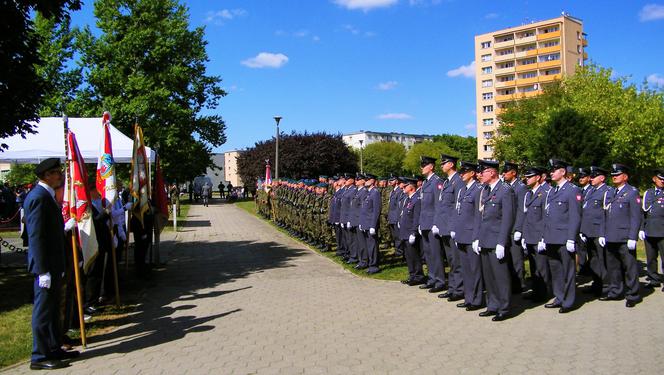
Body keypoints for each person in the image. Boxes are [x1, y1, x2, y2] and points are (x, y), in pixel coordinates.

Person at [24, 158, 78, 370]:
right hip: (45, 266)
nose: (60, 175)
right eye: (56, 172)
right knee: (44, 311)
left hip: (54, 264)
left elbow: (49, 231)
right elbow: (36, 236)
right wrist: (41, 270)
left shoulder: (46, 196)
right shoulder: (38, 197)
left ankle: (54, 348)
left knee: (54, 308)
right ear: (47, 176)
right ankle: (39, 355)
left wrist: (64, 228)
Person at [473, 159, 515, 321]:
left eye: (482, 172)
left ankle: (504, 308)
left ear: (491, 172)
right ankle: (493, 305)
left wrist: (502, 242)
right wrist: (476, 238)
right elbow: (479, 217)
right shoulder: (484, 190)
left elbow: (507, 218)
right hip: (484, 239)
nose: (479, 175)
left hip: (497, 240)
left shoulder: (505, 190)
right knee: (489, 276)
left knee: (500, 276)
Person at [541, 159, 581, 313]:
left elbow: (575, 216)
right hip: (551, 237)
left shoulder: (572, 190)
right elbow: (548, 215)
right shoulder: (552, 190)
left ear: (563, 172)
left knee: (568, 270)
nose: (551, 173)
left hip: (564, 238)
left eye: (554, 170)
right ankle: (559, 296)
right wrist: (544, 236)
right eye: (551, 170)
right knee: (556, 270)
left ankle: (569, 301)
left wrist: (571, 238)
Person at [599, 163, 642, 307]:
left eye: (617, 175)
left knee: (629, 267)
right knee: (613, 267)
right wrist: (602, 234)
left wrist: (632, 237)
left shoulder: (632, 192)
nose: (614, 177)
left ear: (625, 176)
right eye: (613, 175)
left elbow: (636, 216)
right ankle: (615, 291)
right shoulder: (610, 193)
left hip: (624, 237)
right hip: (610, 236)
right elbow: (604, 215)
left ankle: (633, 294)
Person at [515, 166, 552, 302]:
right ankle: (537, 291)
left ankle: (543, 293)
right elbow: (525, 215)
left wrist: (543, 237)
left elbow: (546, 217)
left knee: (542, 266)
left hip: (539, 236)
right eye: (526, 177)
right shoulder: (528, 194)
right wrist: (524, 235)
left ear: (538, 178)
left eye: (530, 177)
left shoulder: (545, 192)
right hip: (530, 235)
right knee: (533, 265)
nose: (527, 179)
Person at [452, 161, 484, 310]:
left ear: (472, 173)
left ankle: (477, 300)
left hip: (472, 235)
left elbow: (479, 215)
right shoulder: (462, 190)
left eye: (464, 172)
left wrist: (477, 237)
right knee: (465, 269)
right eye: (460, 172)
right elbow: (458, 213)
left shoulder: (478, 189)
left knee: (475, 269)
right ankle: (468, 297)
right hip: (462, 235)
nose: (461, 174)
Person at [434, 154, 464, 301]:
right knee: (451, 260)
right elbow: (443, 206)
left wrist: (454, 227)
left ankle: (459, 289)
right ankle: (452, 288)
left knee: (456, 260)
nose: (441, 166)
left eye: (444, 163)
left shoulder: (458, 181)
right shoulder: (447, 182)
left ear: (451, 164)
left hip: (453, 228)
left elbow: (458, 207)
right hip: (445, 227)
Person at [579, 166, 611, 296]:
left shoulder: (607, 191)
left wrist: (603, 233)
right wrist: (583, 230)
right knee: (593, 259)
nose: (591, 178)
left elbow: (607, 213)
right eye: (590, 176)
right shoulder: (590, 191)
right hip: (589, 231)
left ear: (602, 178)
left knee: (603, 259)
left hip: (599, 231)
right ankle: (597, 283)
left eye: (594, 176)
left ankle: (607, 285)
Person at [418, 156, 446, 294]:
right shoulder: (425, 183)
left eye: (424, 165)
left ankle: (440, 280)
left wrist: (436, 223)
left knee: (436, 253)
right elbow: (424, 206)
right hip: (424, 223)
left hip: (432, 224)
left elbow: (438, 205)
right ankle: (431, 278)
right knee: (428, 253)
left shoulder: (437, 182)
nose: (421, 168)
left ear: (431, 167)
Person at [503, 161, 529, 293]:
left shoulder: (521, 187)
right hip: (507, 228)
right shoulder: (506, 186)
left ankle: (519, 284)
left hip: (514, 229)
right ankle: (512, 283)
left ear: (513, 173)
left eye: (506, 172)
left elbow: (522, 210)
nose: (503, 174)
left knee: (516, 259)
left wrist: (519, 228)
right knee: (508, 259)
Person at [398, 177, 425, 286]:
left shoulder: (416, 200)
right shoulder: (408, 199)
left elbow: (416, 218)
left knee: (414, 255)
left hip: (410, 233)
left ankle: (418, 276)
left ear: (411, 187)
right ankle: (412, 275)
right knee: (409, 256)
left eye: (405, 186)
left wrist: (414, 232)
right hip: (405, 232)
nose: (403, 187)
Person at [642, 168, 664, 290]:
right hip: (649, 230)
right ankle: (653, 279)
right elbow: (643, 213)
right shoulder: (648, 193)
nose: (662, 181)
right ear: (654, 179)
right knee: (651, 257)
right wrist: (641, 229)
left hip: (662, 230)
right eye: (660, 178)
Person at [360, 174, 382, 274]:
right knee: (368, 245)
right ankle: (370, 264)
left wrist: (373, 225)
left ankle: (374, 266)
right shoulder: (368, 193)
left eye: (367, 179)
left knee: (372, 246)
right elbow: (364, 210)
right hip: (366, 223)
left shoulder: (375, 192)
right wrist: (362, 223)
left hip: (371, 224)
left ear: (372, 181)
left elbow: (376, 211)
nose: (365, 181)